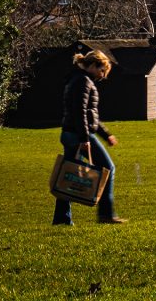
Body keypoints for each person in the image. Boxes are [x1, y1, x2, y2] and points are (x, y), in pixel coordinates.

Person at [53, 50, 125, 225]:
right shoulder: (83, 82)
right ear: (93, 65)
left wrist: (105, 134)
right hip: (79, 134)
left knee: (68, 175)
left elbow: (89, 114)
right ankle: (106, 214)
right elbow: (80, 113)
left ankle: (62, 219)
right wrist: (85, 139)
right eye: (102, 71)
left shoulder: (76, 78)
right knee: (108, 168)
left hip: (70, 133)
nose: (102, 76)